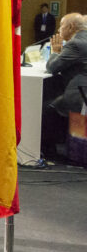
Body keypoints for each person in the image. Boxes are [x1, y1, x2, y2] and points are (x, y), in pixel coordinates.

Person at [42, 12, 87, 158]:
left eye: (61, 25)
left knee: (46, 109)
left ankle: (48, 150)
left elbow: (52, 68)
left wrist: (55, 52)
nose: (59, 30)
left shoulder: (75, 44)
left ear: (71, 27)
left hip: (79, 94)